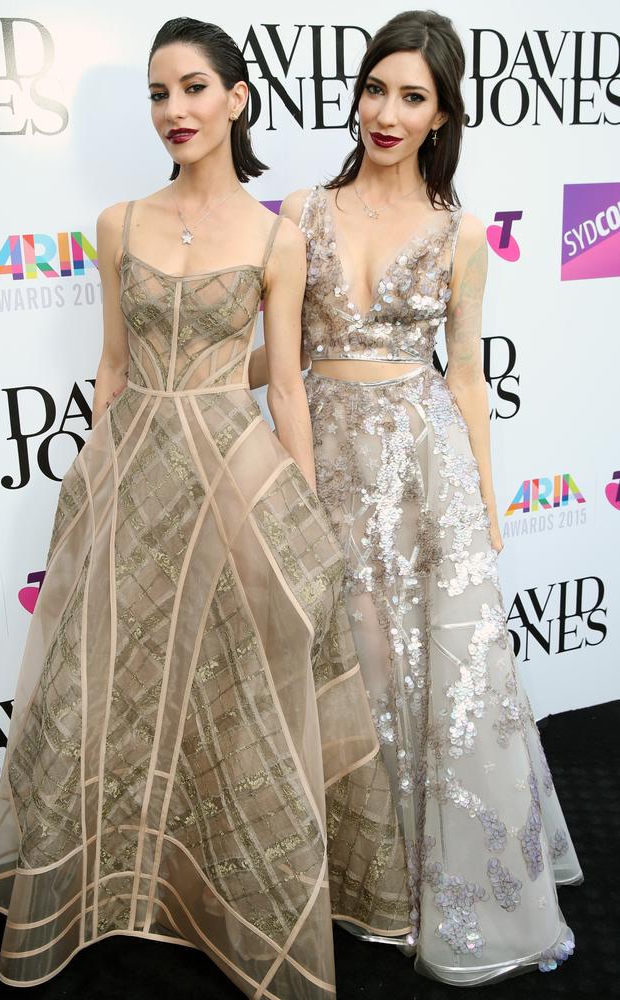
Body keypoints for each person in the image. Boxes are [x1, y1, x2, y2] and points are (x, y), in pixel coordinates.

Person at [0, 18, 409, 998]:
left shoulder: (275, 236)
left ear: (236, 97)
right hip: (130, 482)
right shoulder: (118, 223)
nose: (174, 110)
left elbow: (287, 386)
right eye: (158, 94)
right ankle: (115, 888)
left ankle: (232, 895)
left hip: (232, 471)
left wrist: (304, 514)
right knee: (110, 691)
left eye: (192, 89)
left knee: (233, 690)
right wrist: (90, 480)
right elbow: (114, 370)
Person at [252, 8, 582, 987]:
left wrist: (481, 506)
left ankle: (439, 885)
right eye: (373, 89)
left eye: (410, 98)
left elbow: (468, 379)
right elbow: (278, 365)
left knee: (431, 674)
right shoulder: (299, 213)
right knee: (343, 662)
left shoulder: (458, 233)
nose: (383, 113)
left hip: (421, 463)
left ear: (440, 117)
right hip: (325, 455)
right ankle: (356, 878)